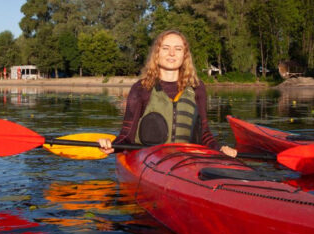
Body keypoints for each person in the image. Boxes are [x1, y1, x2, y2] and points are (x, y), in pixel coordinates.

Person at [97, 29, 237, 157]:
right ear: (157, 54)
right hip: (148, 159)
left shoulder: (197, 87)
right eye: (165, 48)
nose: (172, 53)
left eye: (178, 49)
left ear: (185, 55)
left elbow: (204, 133)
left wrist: (219, 149)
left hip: (186, 159)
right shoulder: (141, 88)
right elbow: (127, 135)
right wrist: (113, 145)